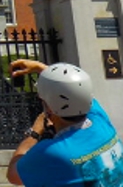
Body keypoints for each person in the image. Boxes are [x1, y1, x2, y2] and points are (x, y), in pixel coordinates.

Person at [6, 59, 123, 187]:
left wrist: (34, 133)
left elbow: (13, 175)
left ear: (49, 108)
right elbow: (75, 90)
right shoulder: (99, 119)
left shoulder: (51, 152)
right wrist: (41, 68)